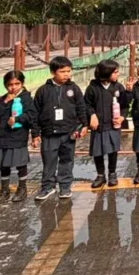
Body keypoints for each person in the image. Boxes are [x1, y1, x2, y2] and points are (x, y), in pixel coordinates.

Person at [32, 56, 89, 201]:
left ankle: (65, 186)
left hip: (68, 132)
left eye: (68, 71)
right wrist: (35, 133)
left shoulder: (74, 89)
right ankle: (48, 186)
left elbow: (81, 108)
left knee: (67, 160)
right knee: (49, 161)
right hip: (49, 133)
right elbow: (35, 113)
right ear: (53, 72)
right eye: (62, 72)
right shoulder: (43, 90)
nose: (66, 75)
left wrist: (84, 125)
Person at [0, 70, 37, 204]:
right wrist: (5, 102)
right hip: (4, 135)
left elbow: (32, 115)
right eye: (10, 84)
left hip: (18, 135)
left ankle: (22, 188)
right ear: (5, 85)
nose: (13, 87)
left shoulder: (26, 98)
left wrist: (18, 119)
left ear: (22, 83)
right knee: (4, 164)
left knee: (20, 163)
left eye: (17, 84)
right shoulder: (3, 99)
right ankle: (4, 190)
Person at [84, 59, 129, 189]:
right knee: (98, 151)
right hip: (98, 127)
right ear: (106, 72)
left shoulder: (118, 87)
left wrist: (122, 117)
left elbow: (125, 105)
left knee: (113, 150)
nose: (118, 74)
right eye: (115, 72)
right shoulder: (93, 88)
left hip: (113, 126)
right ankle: (100, 175)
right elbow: (86, 104)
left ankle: (112, 173)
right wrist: (92, 115)